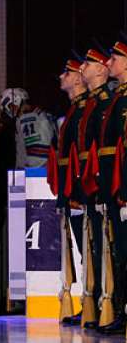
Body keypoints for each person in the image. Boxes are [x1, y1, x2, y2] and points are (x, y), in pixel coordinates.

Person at [47, 58, 88, 325]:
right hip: (72, 194)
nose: (62, 75)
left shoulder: (85, 110)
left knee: (95, 251)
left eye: (68, 71)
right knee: (87, 253)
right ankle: (92, 304)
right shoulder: (73, 111)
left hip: (85, 194)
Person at [74, 48, 112, 329]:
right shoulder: (88, 105)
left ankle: (110, 305)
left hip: (105, 186)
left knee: (108, 249)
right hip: (89, 186)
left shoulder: (108, 103)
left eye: (88, 64)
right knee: (92, 248)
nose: (80, 69)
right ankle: (97, 303)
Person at [96, 38, 127, 334]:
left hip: (123, 191)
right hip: (114, 189)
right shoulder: (119, 99)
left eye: (115, 58)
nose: (109, 63)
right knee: (119, 252)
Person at [0, 88, 57, 168]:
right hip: (50, 168)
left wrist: (22, 172)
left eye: (10, 106)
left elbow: (37, 156)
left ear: (17, 100)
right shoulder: (41, 114)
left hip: (38, 172)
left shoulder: (28, 119)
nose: (9, 111)